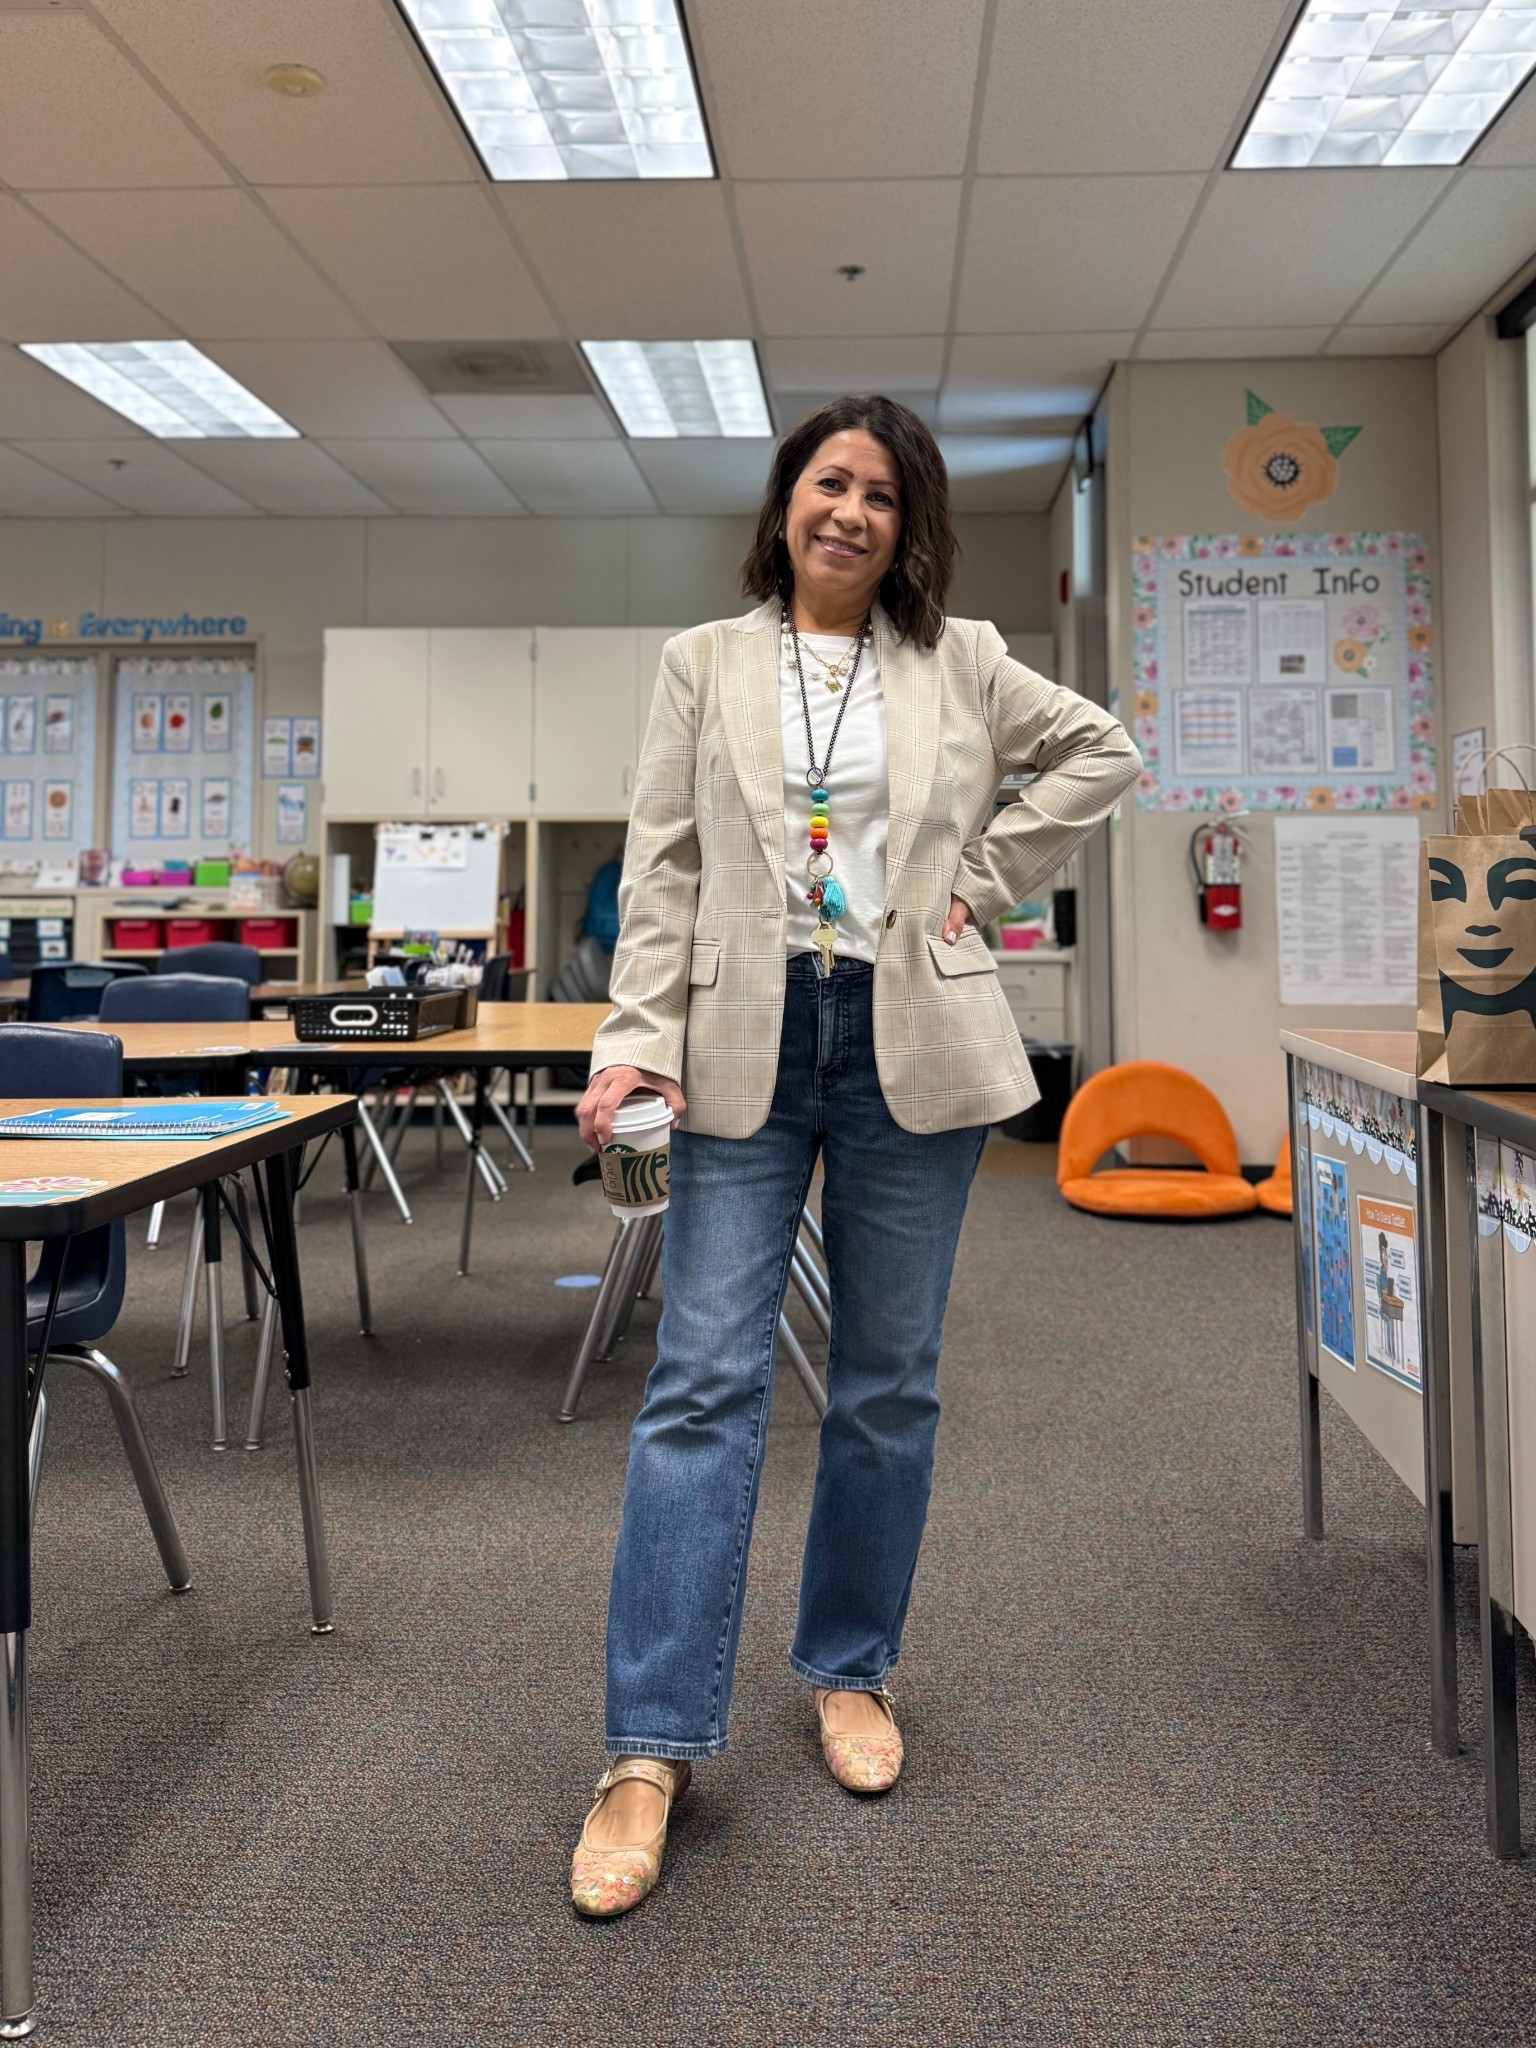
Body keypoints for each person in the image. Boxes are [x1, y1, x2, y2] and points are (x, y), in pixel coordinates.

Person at [569, 395, 1141, 1917]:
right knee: (701, 1379)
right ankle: (647, 1747)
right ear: (786, 505)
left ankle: (847, 1669)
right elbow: (664, 864)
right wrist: (634, 1036)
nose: (853, 512)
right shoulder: (704, 663)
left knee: (887, 1382)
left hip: (912, 1041)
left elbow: (1102, 750)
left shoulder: (960, 658)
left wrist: (983, 879)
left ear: (909, 525)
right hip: (744, 1044)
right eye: (831, 483)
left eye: (884, 495)